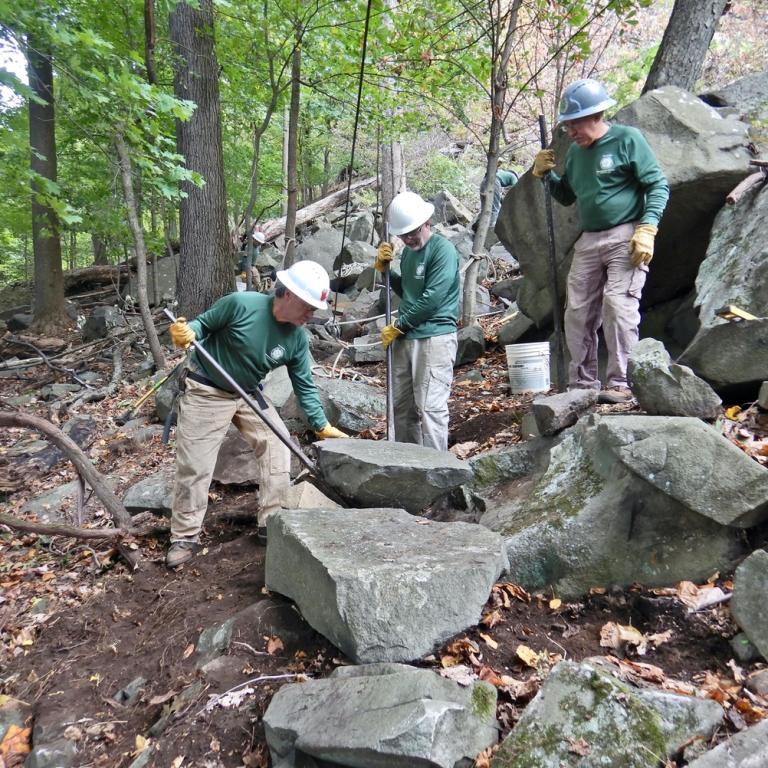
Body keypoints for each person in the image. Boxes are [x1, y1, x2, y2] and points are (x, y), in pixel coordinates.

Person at [165, 260, 347, 567]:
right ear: (288, 295)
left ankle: (271, 523)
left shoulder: (298, 339)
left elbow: (303, 383)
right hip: (207, 389)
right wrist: (187, 331)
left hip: (249, 392)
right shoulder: (240, 304)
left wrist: (321, 424)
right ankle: (184, 535)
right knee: (195, 465)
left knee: (279, 446)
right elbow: (202, 326)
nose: (311, 315)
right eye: (308, 307)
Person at [532, 78, 669, 404]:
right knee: (577, 311)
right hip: (589, 239)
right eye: (566, 125)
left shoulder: (627, 139)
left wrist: (647, 228)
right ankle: (582, 384)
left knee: (618, 305)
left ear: (597, 115)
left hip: (626, 234)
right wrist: (545, 176)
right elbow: (566, 196)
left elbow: (658, 185)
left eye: (574, 123)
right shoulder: (577, 156)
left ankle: (621, 382)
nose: (570, 131)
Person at [375, 191, 460, 451]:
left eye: (412, 232)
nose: (408, 239)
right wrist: (386, 271)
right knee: (402, 407)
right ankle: (408, 463)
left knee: (430, 407)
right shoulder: (409, 254)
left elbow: (432, 298)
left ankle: (438, 467)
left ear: (427, 223)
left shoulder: (443, 250)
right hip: (406, 337)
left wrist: (399, 325)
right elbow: (409, 293)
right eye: (403, 235)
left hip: (434, 336)